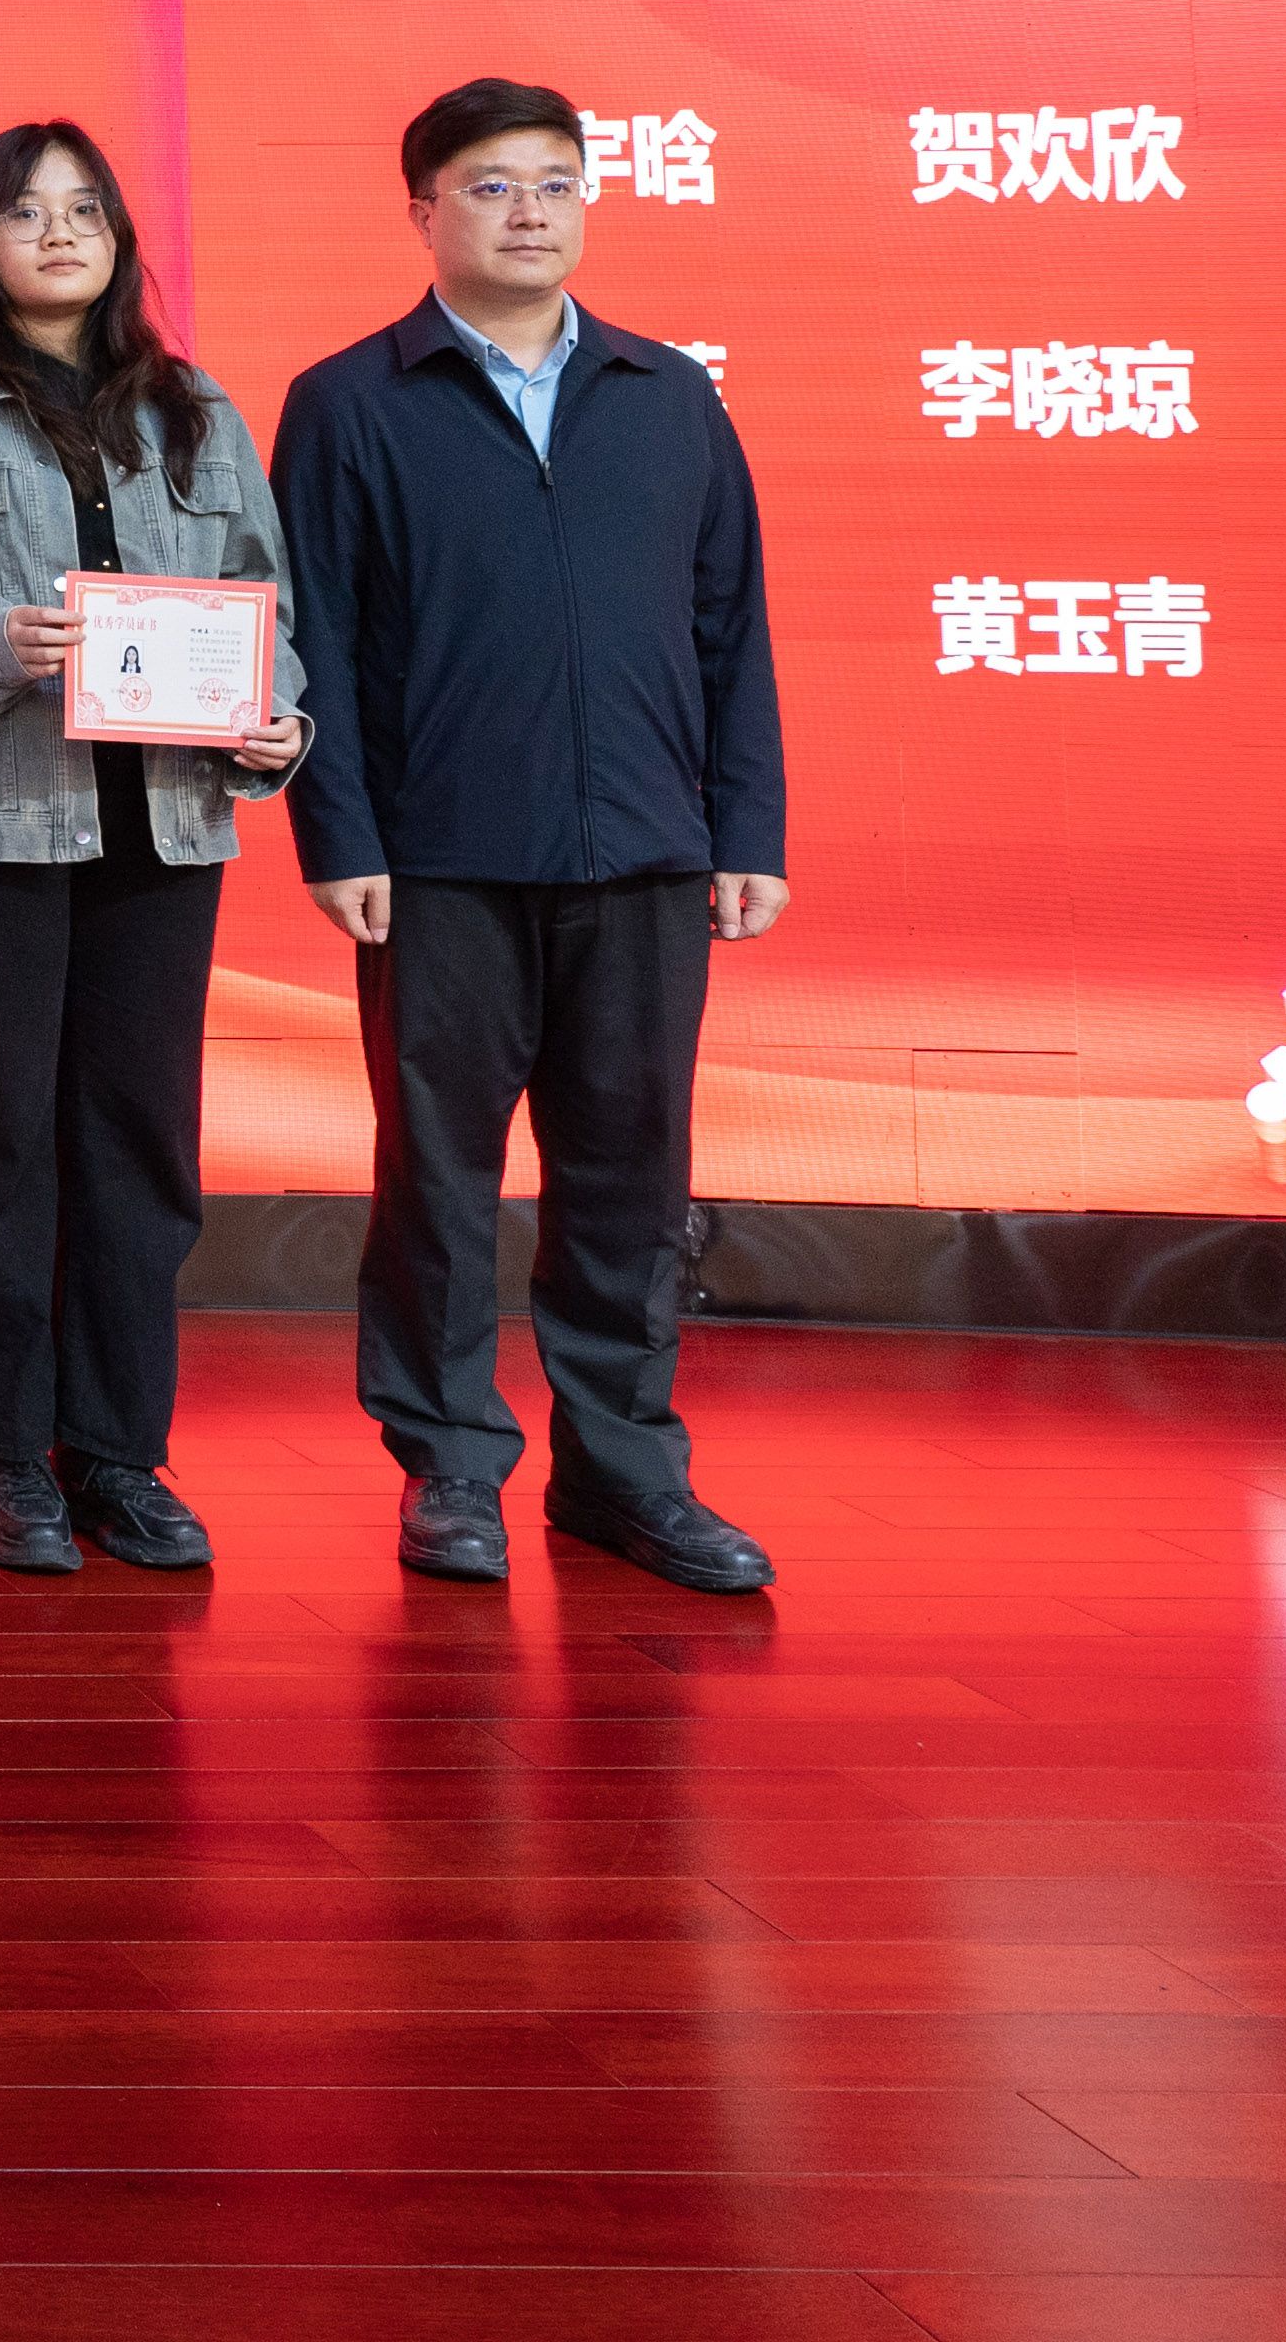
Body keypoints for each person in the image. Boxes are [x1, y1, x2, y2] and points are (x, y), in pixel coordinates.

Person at [274, 77, 788, 1597]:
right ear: (423, 210)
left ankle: (625, 1472)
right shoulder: (351, 401)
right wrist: (338, 834)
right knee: (437, 1181)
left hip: (646, 855)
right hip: (438, 863)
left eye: (557, 184)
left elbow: (730, 629)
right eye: (492, 187)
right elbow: (318, 638)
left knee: (630, 1176)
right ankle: (449, 1468)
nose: (529, 213)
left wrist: (745, 828)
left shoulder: (668, 396)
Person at [0, 125, 308, 1582]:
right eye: (26, 212)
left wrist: (278, 723)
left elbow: (267, 606)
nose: (59, 233)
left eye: (85, 208)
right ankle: (3, 1454)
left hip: (166, 825)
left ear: (119, 236)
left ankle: (117, 1452)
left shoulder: (197, 412)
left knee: (139, 1139)